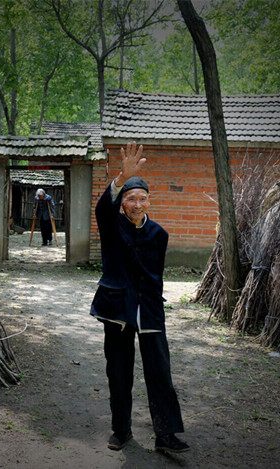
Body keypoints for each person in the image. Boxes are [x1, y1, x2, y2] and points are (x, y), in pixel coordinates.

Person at [90, 142, 189, 453]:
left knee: (160, 372)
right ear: (122, 202)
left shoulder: (159, 234)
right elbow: (102, 208)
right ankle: (121, 431)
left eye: (142, 198)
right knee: (119, 373)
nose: (136, 204)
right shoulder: (111, 225)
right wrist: (121, 178)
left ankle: (166, 435)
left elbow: (156, 276)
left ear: (149, 201)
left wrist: (156, 308)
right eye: (130, 198)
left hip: (149, 310)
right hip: (118, 309)